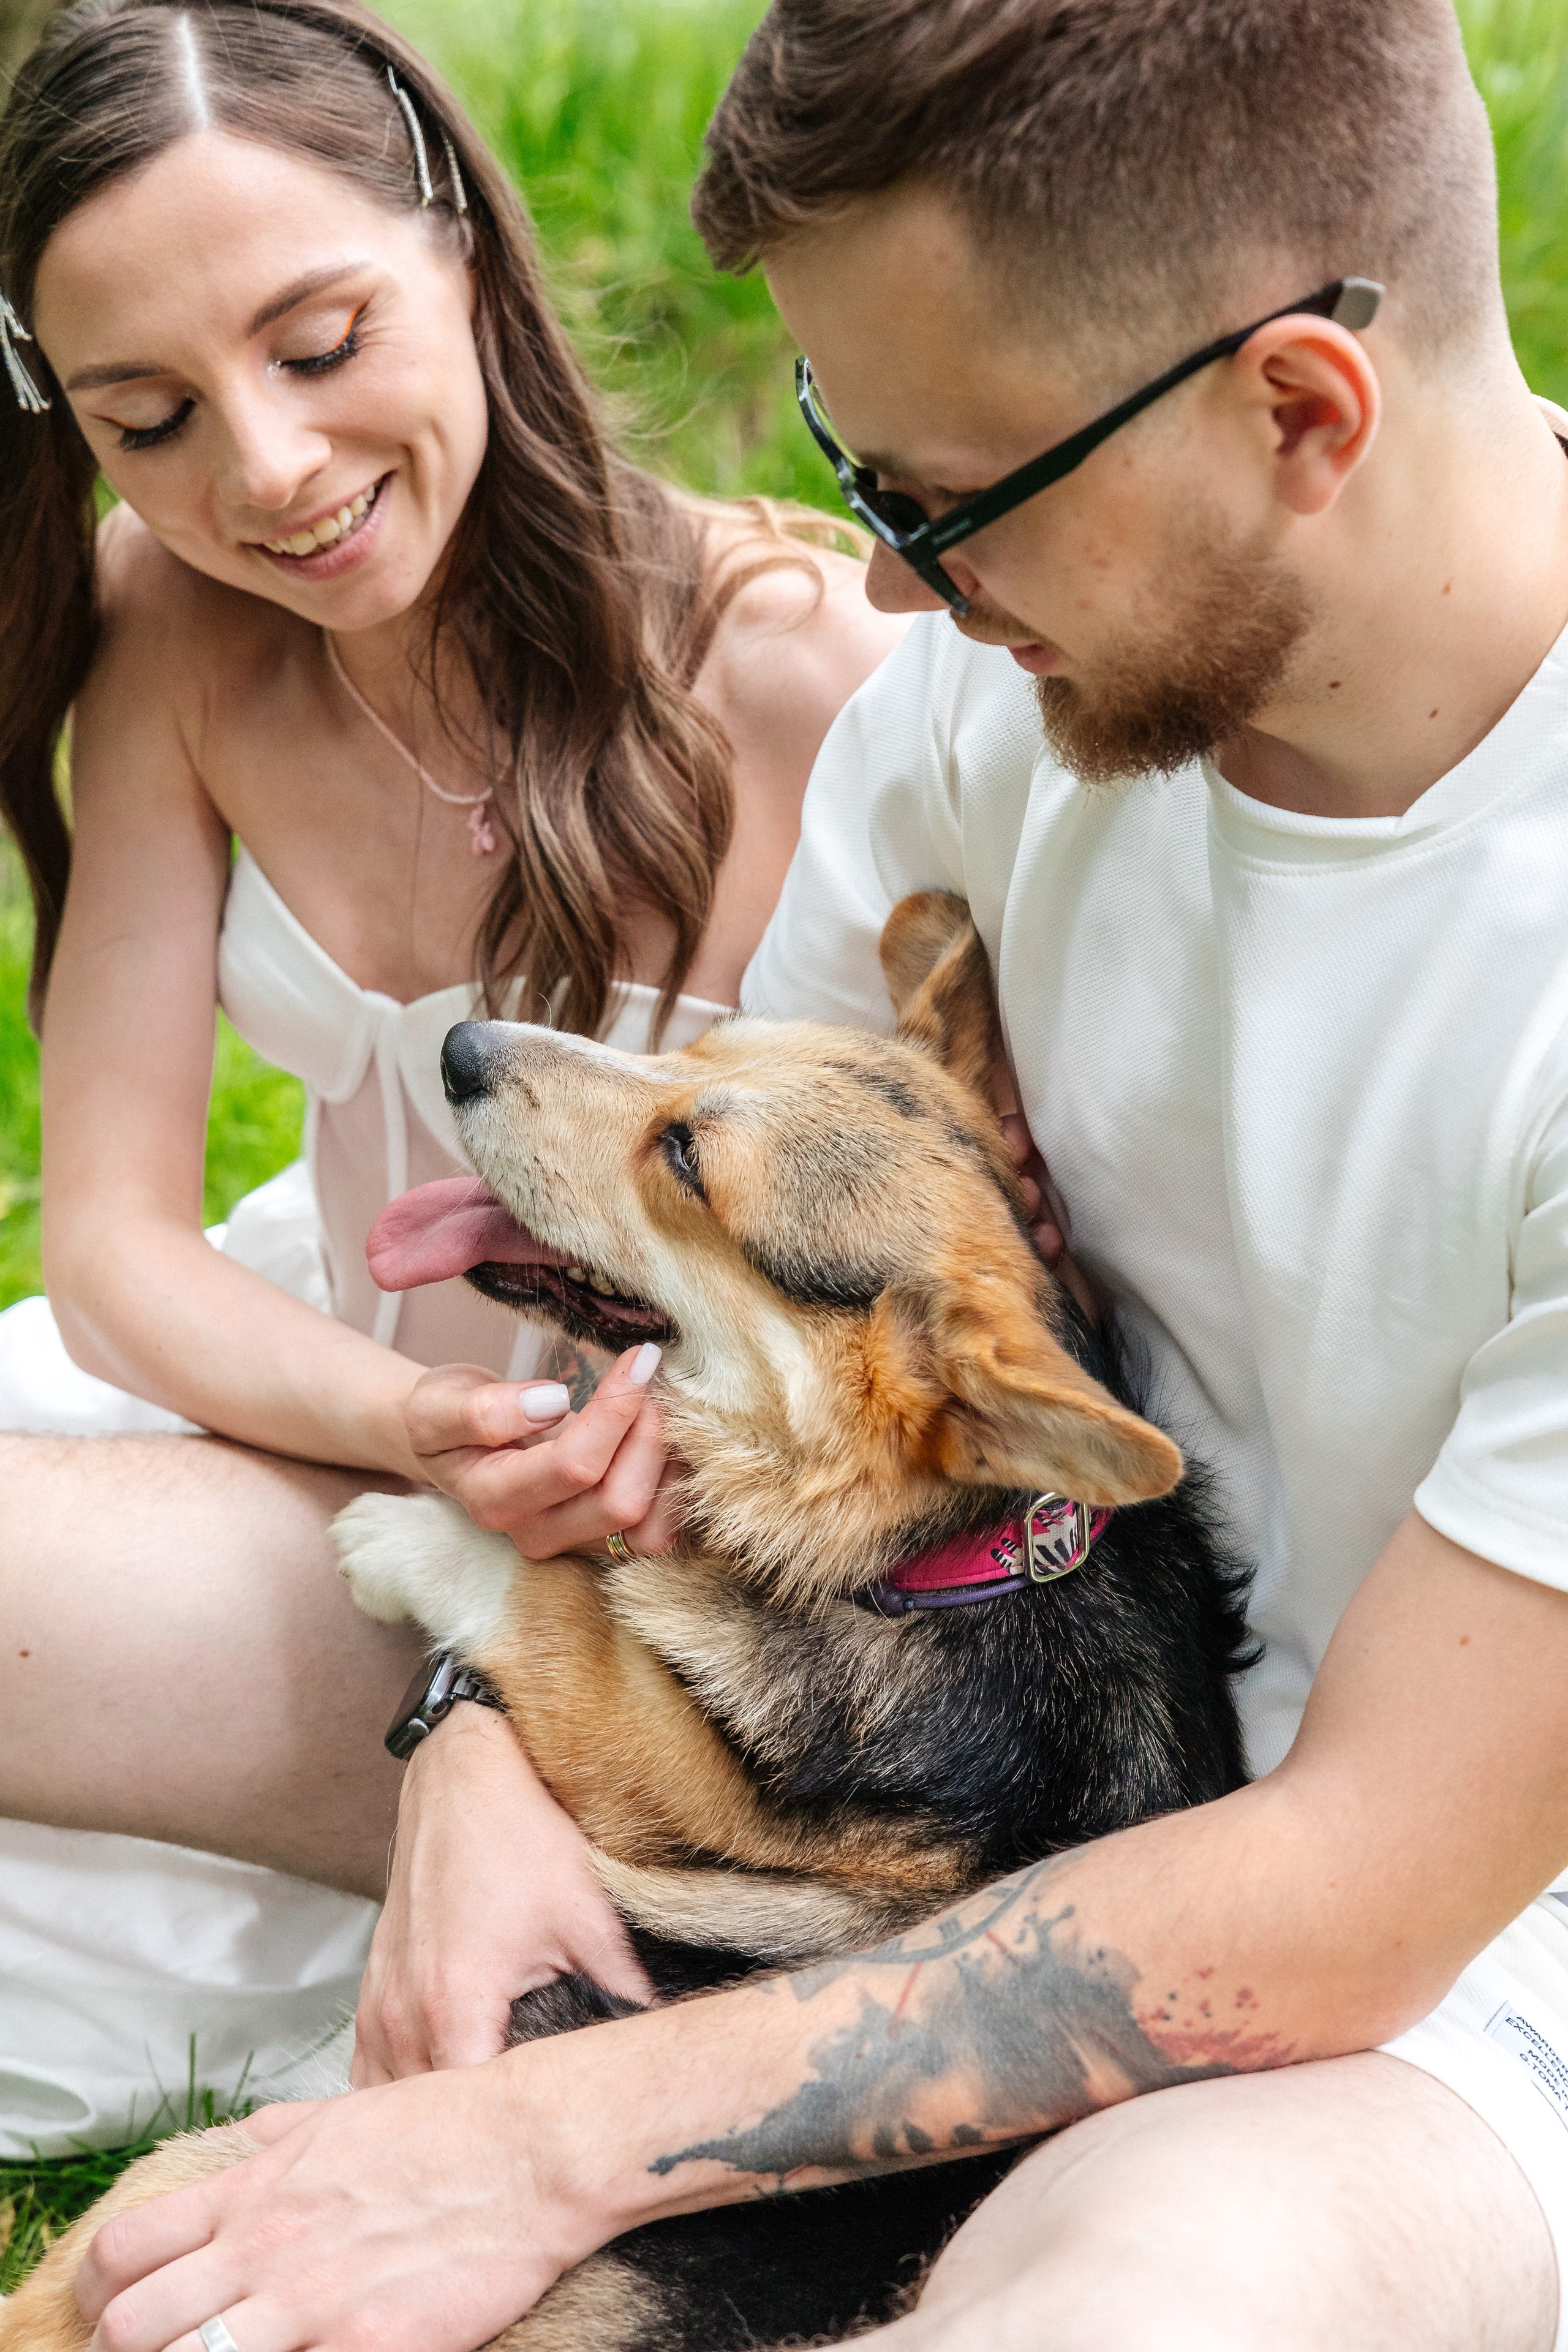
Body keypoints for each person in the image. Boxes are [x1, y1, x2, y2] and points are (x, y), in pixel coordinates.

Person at [39, 0, 1568, 2345]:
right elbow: (682, 1301)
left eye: (942, 503)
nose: (893, 596)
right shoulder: (1002, 690)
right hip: (821, 1708)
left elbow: (1352, 1895)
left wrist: (519, 2146)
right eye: (861, 481)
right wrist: (481, 1737)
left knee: (1121, 2315)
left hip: (1411, 1972)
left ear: (1298, 412)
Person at [0, 0, 904, 2158]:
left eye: (321, 345)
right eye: (147, 419)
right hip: (327, 1427)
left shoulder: (801, 678)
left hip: (694, 1600)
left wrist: (530, 1511)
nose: (263, 473)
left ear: (466, 252)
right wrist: (412, 1427)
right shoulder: (174, 629)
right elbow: (112, 1246)